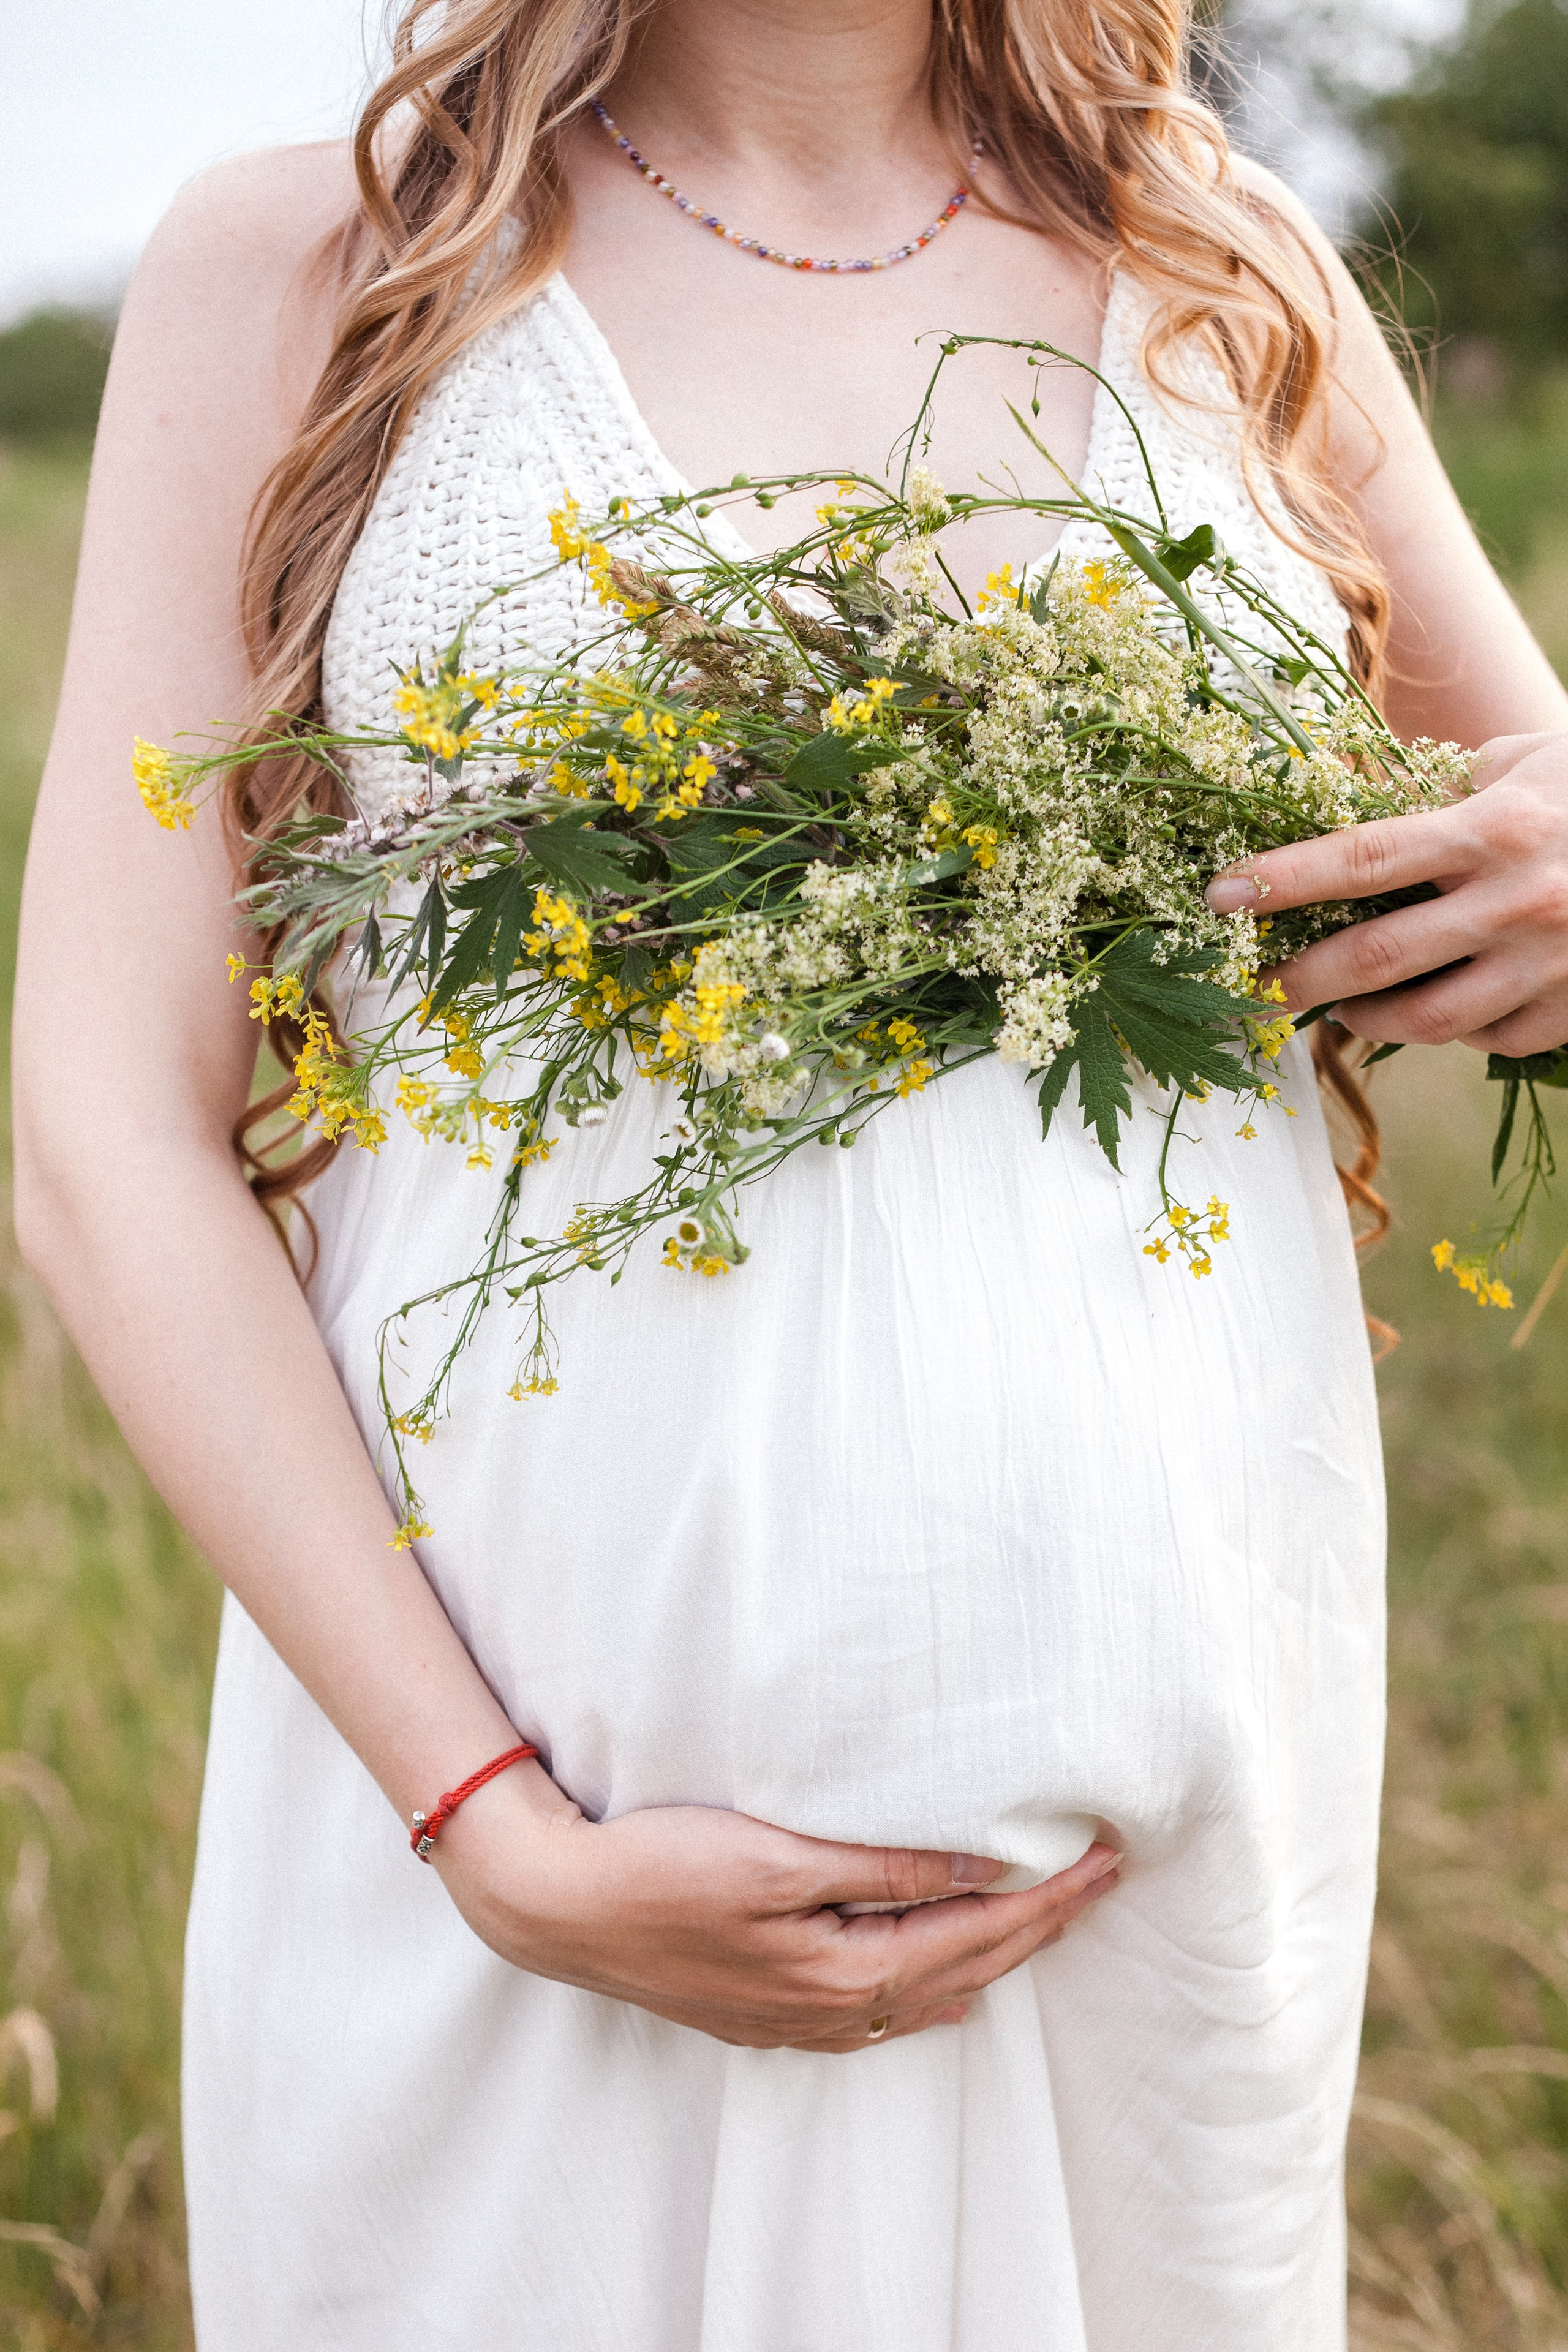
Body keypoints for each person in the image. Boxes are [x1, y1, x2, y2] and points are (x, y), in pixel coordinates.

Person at [15, 0, 1568, 2337]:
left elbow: (1525, 832)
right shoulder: (316, 267)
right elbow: (104, 1134)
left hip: (1161, 1874)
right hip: (540, 1867)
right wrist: (492, 1828)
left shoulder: (1222, 258)